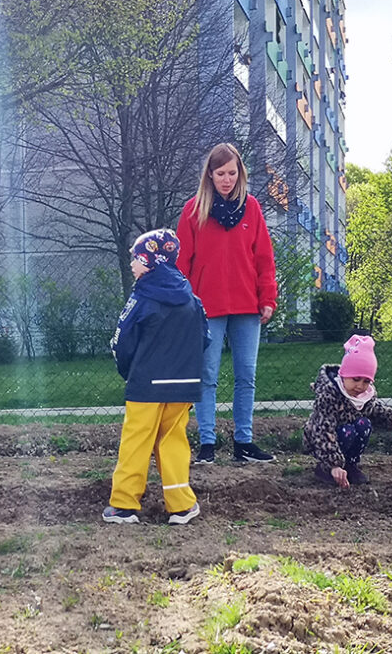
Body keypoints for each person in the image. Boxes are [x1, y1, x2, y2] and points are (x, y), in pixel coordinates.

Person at [176, 142, 277, 465]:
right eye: (220, 173)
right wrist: (184, 303)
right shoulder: (193, 211)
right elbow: (182, 262)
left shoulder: (252, 208)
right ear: (210, 174)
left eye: (232, 173)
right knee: (207, 375)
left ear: (240, 173)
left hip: (247, 306)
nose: (227, 179)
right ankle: (207, 443)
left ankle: (243, 442)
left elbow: (264, 258)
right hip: (206, 307)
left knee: (246, 375)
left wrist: (268, 298)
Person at [103, 229, 209, 526]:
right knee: (173, 441)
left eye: (136, 258)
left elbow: (122, 341)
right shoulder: (192, 299)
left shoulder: (141, 297)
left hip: (145, 385)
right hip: (183, 385)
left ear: (152, 261)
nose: (132, 264)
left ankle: (123, 505)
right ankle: (181, 506)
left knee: (136, 441)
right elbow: (205, 339)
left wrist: (128, 372)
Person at [303, 335, 392, 488]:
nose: (360, 386)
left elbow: (375, 409)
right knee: (347, 430)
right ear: (344, 375)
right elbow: (323, 430)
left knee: (364, 424)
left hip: (344, 437)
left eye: (366, 381)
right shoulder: (329, 395)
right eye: (355, 379)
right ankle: (325, 469)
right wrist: (333, 464)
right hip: (323, 441)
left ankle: (350, 464)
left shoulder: (364, 396)